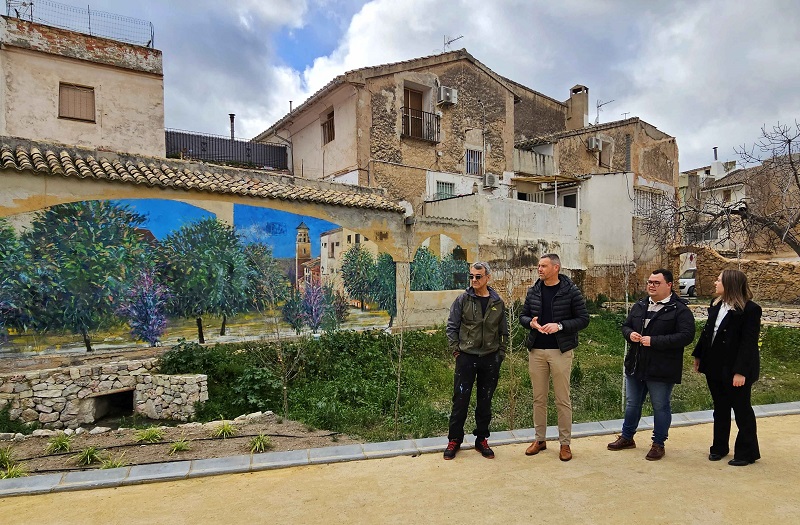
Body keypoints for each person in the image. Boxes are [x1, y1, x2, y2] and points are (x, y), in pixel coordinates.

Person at [609, 268, 695, 460]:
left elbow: (686, 336)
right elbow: (626, 326)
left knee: (660, 406)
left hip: (662, 367)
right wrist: (629, 334)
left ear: (669, 285)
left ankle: (658, 444)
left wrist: (655, 341)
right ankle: (627, 437)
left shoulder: (679, 309)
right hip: (636, 364)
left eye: (656, 283)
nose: (651, 286)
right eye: (649, 282)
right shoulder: (640, 305)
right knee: (632, 404)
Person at [519, 254, 589, 462]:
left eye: (543, 266)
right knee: (538, 398)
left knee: (562, 399)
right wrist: (530, 323)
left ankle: (565, 444)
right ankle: (539, 440)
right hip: (536, 351)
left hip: (561, 351)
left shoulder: (571, 291)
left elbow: (583, 319)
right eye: (538, 266)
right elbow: (523, 316)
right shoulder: (534, 290)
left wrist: (560, 326)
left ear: (556, 267)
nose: (539, 269)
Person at [692, 269, 762, 466]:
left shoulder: (750, 310)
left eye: (719, 280)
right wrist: (699, 355)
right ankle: (719, 447)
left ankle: (746, 452)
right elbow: (708, 333)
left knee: (742, 410)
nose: (715, 283)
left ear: (730, 284)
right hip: (715, 366)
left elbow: (748, 343)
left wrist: (740, 372)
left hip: (736, 369)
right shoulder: (716, 305)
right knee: (720, 408)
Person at [444, 261, 508, 460]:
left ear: (488, 277)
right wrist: (456, 351)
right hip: (466, 358)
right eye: (471, 276)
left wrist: (500, 354)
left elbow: (503, 331)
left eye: (478, 276)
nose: (473, 280)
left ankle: (482, 439)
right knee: (460, 400)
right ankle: (454, 440)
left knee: (485, 400)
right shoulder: (463, 299)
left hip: (490, 358)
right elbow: (452, 327)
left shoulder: (497, 302)